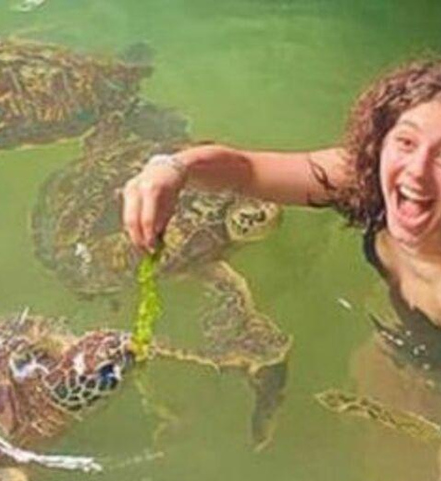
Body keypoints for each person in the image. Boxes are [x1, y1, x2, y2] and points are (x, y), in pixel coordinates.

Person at [122, 58, 441, 330]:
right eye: (406, 141)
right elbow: (246, 170)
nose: (416, 169)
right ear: (381, 142)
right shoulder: (365, 179)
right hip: (397, 321)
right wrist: (172, 168)